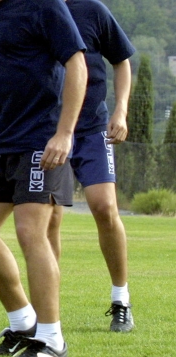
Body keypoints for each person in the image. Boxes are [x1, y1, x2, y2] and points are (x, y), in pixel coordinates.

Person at [0, 0, 87, 357]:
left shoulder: (45, 5)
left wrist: (65, 134)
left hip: (42, 138)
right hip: (2, 139)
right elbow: (1, 63)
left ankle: (51, 338)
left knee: (31, 231)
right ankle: (23, 321)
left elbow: (77, 64)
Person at [47, 0, 136, 333]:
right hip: (51, 131)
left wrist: (121, 110)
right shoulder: (33, 9)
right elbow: (14, 61)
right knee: (50, 216)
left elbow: (122, 61)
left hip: (91, 128)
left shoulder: (92, 10)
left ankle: (121, 301)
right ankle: (49, 309)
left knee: (104, 207)